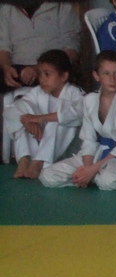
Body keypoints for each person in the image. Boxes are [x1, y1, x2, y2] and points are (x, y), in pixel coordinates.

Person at [39, 50, 116, 191]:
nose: (112, 79)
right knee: (48, 176)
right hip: (96, 154)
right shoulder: (90, 100)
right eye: (106, 73)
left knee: (108, 181)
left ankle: (99, 176)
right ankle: (90, 177)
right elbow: (89, 139)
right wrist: (87, 168)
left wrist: (93, 169)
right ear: (96, 75)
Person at [4, 48, 83, 180]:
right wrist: (27, 121)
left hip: (66, 151)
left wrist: (39, 118)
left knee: (58, 119)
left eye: (47, 74)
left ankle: (39, 163)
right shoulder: (37, 92)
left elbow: (77, 114)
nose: (42, 79)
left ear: (64, 76)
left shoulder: (75, 93)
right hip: (39, 145)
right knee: (20, 112)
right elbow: (13, 110)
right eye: (40, 74)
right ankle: (24, 159)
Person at [0, 1, 80, 93]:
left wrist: (37, 69)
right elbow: (3, 47)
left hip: (51, 67)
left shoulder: (62, 6)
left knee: (53, 76)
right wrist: (6, 68)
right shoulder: (7, 8)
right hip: (16, 69)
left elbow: (71, 49)